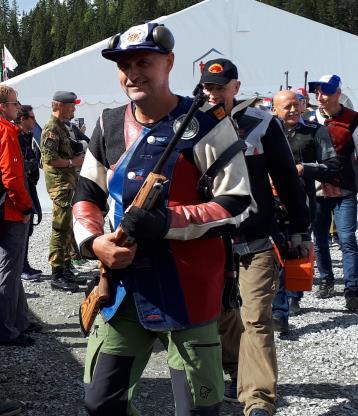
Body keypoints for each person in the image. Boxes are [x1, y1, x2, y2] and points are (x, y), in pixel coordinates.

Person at [73, 23, 255, 415]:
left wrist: (167, 220)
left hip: (189, 288)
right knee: (101, 403)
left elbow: (237, 203)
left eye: (144, 62)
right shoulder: (107, 124)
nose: (133, 73)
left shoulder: (210, 126)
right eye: (124, 65)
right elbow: (86, 194)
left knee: (197, 409)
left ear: (168, 63)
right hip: (121, 288)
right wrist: (94, 243)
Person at [200, 59, 310, 416]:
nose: (213, 93)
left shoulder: (263, 123)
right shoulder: (192, 125)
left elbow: (288, 180)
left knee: (257, 318)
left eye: (220, 86)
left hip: (257, 236)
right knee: (219, 314)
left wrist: (299, 228)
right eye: (207, 87)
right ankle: (237, 371)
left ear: (236, 87)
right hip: (212, 238)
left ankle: (258, 400)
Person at [271, 90, 340, 330]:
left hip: (302, 204)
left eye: (295, 106)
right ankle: (279, 311)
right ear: (274, 110)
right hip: (271, 205)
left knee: (298, 250)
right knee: (275, 256)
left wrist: (303, 168)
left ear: (302, 106)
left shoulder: (315, 132)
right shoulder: (265, 134)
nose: (292, 110)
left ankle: (294, 296)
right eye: (285, 107)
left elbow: (332, 165)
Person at [308, 75, 358, 310]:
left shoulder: (353, 119)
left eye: (325, 92)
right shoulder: (310, 119)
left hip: (345, 187)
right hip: (317, 190)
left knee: (347, 239)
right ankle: (326, 280)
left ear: (338, 93)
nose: (320, 97)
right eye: (317, 92)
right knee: (319, 239)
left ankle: (352, 290)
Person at [40, 91, 86, 292]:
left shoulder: (64, 128)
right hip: (60, 185)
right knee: (60, 228)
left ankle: (66, 268)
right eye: (71, 105)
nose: (74, 109)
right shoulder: (52, 128)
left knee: (67, 227)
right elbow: (49, 159)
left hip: (68, 183)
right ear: (59, 105)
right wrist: (72, 162)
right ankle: (56, 273)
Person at [0, 85, 35, 347]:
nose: (17, 107)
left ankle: (20, 320)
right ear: (3, 106)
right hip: (10, 211)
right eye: (14, 103)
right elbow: (11, 176)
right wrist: (25, 207)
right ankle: (7, 329)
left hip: (5, 208)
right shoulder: (7, 130)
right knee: (9, 270)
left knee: (11, 268)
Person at [15, 105, 43, 281]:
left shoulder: (28, 136)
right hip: (20, 190)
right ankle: (20, 268)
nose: (34, 121)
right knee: (18, 231)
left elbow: (32, 161)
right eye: (31, 118)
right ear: (23, 119)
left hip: (29, 187)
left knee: (27, 230)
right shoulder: (15, 137)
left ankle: (24, 264)